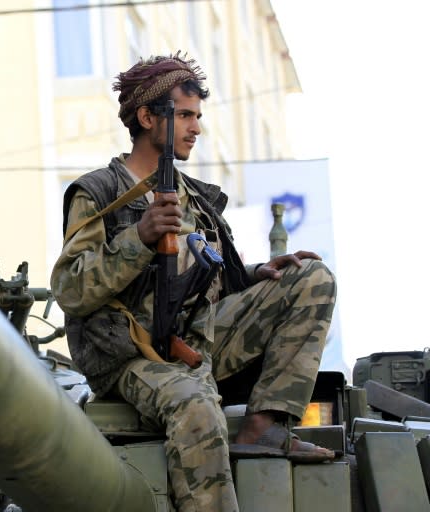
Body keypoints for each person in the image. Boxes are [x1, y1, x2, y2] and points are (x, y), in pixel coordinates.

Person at [50, 53, 337, 512]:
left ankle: (264, 426)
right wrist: (139, 237)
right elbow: (70, 290)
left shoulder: (198, 198)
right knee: (196, 406)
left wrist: (255, 276)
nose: (196, 128)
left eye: (197, 116)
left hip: (199, 338)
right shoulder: (99, 191)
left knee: (311, 278)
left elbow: (207, 280)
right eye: (184, 115)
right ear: (147, 117)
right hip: (130, 354)